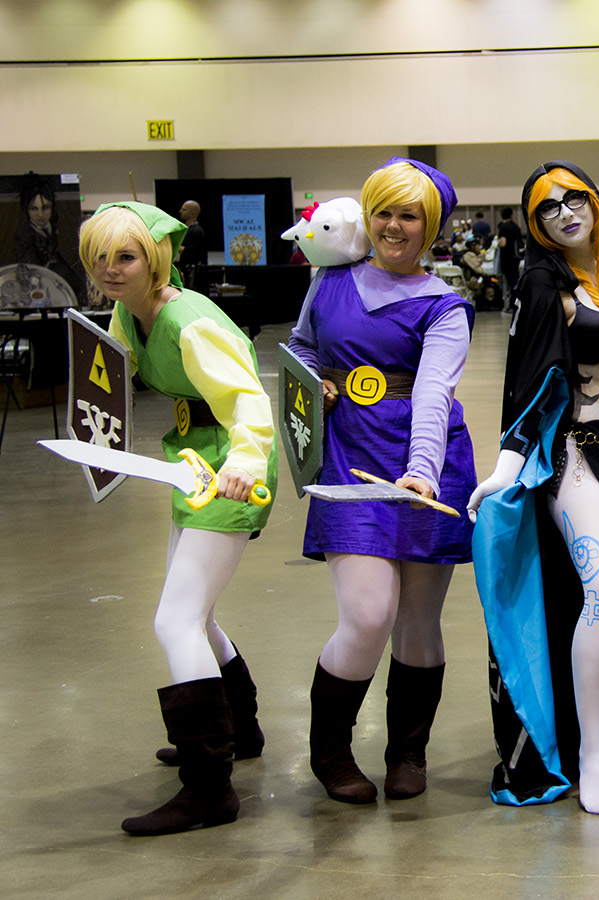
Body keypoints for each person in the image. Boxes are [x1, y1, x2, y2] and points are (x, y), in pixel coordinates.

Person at [77, 201, 278, 835]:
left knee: (176, 619)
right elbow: (110, 375)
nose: (111, 269)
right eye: (100, 258)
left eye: (126, 256)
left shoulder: (188, 322)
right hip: (192, 462)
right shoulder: (129, 313)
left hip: (232, 466)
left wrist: (245, 460)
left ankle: (209, 786)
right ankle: (238, 732)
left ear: (155, 258)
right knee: (197, 614)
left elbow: (249, 397)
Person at [287, 157, 476, 804]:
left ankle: (408, 753)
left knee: (418, 618)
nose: (394, 227)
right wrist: (314, 384)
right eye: (384, 213)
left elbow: (433, 393)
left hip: (426, 463)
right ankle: (330, 753)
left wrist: (421, 470)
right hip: (348, 454)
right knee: (368, 614)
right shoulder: (329, 281)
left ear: (433, 227)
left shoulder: (445, 305)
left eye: (410, 216)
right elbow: (301, 347)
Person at [467, 161, 599, 816]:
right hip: (573, 453)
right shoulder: (543, 282)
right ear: (535, 223)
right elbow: (529, 377)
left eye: (575, 199)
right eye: (548, 207)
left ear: (595, 202)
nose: (565, 213)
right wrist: (508, 464)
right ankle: (590, 757)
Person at [16, 172, 84, 302]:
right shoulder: (23, 236)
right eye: (34, 209)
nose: (40, 214)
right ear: (26, 210)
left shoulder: (59, 228)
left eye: (45, 208)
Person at [496, 207, 523, 297]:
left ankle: (512, 299)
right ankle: (516, 298)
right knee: (515, 278)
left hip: (506, 257)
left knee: (509, 281)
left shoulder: (503, 227)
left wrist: (498, 243)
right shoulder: (515, 226)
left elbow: (503, 243)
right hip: (515, 257)